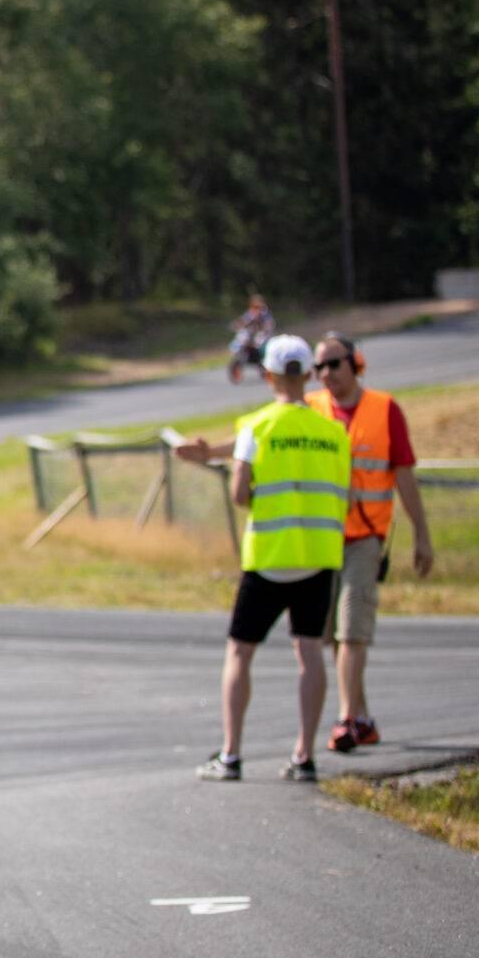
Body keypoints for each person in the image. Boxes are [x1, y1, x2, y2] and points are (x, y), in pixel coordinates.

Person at [174, 335, 350, 783]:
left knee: (240, 652)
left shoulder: (256, 425)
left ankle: (231, 755)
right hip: (319, 556)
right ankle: (304, 756)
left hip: (269, 557)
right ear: (309, 375)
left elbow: (239, 494)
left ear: (267, 375)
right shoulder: (333, 432)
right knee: (309, 652)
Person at [306, 332, 436, 752]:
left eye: (335, 364)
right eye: (319, 367)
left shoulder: (384, 409)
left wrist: (421, 534)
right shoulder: (310, 409)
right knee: (331, 637)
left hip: (365, 539)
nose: (327, 374)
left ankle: (346, 720)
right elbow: (262, 436)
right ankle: (363, 717)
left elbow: (404, 476)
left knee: (352, 630)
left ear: (355, 363)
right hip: (320, 539)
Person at [228, 294, 275, 384]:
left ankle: (263, 363)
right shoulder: (250, 313)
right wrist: (236, 325)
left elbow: (269, 325)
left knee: (260, 343)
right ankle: (239, 357)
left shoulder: (265, 314)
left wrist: (262, 326)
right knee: (241, 339)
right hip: (251, 335)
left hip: (261, 335)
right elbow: (243, 321)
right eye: (254, 306)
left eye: (258, 306)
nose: (256, 309)